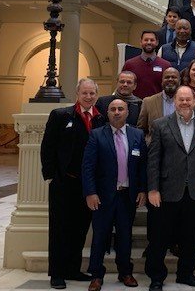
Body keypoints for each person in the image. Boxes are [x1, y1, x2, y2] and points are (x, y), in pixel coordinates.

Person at [145, 86, 195, 291]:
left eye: (188, 99)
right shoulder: (160, 124)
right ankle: (156, 276)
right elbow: (153, 160)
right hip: (166, 191)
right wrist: (152, 189)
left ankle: (186, 273)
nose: (185, 103)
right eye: (180, 99)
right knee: (159, 237)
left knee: (191, 237)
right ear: (174, 102)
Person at [41, 79, 106, 290]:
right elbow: (48, 146)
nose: (88, 97)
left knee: (80, 229)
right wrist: (51, 175)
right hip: (64, 182)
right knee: (60, 229)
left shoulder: (100, 119)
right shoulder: (61, 116)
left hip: (88, 187)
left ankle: (73, 268)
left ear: (97, 94)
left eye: (92, 93)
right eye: (84, 93)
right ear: (77, 93)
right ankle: (57, 273)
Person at [82, 99, 147, 291]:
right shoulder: (96, 135)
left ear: (127, 112)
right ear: (107, 113)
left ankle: (125, 272)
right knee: (100, 236)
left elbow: (143, 166)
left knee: (125, 237)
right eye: (113, 109)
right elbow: (88, 167)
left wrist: (142, 189)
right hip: (102, 197)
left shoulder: (137, 134)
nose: (117, 112)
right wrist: (91, 193)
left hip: (127, 196)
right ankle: (96, 275)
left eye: (121, 109)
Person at [122, 31, 172, 99]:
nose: (149, 42)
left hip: (157, 106)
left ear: (157, 42)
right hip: (135, 105)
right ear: (141, 42)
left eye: (152, 40)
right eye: (146, 40)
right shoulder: (129, 64)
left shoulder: (166, 65)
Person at [137, 67, 181, 138]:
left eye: (173, 77)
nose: (170, 79)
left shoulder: (188, 101)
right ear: (162, 81)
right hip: (155, 146)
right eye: (167, 77)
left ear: (179, 81)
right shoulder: (148, 102)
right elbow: (141, 129)